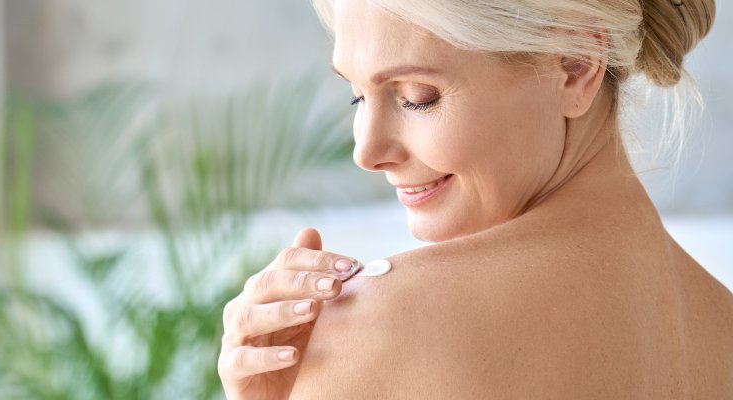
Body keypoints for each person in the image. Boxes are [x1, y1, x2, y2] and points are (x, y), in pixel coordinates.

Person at [218, 0, 731, 398]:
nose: (366, 151)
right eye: (356, 95)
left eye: (417, 96)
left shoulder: (390, 326)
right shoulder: (721, 326)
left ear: (577, 65)